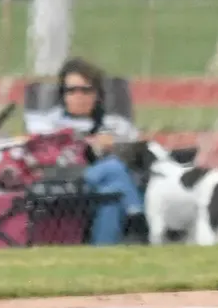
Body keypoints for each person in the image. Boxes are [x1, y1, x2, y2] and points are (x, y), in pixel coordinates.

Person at [24, 56, 143, 246]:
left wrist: (114, 145)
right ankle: (138, 218)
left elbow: (137, 152)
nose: (78, 96)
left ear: (97, 94)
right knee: (112, 168)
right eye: (71, 90)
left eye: (85, 90)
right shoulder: (49, 124)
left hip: (99, 186)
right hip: (62, 181)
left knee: (111, 193)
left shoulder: (115, 124)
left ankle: (102, 252)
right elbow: (39, 156)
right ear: (63, 95)